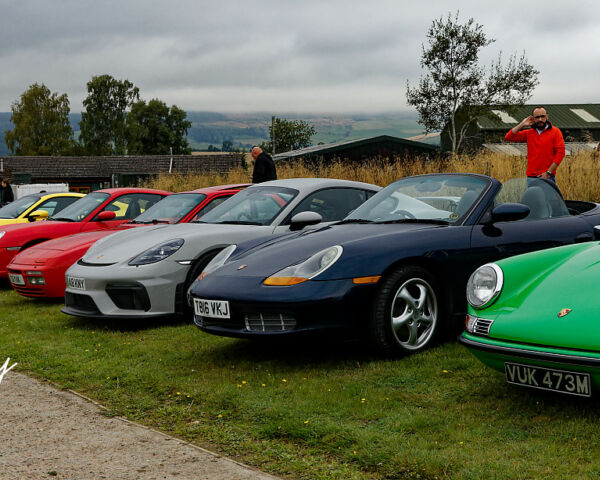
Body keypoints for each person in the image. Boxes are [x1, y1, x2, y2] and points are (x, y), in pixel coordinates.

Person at [505, 106, 565, 183]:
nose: (540, 119)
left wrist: (548, 172)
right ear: (533, 118)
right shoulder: (529, 133)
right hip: (531, 177)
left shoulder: (555, 132)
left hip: (547, 177)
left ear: (547, 117)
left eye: (542, 116)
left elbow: (560, 153)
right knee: (532, 195)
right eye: (537, 117)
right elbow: (509, 137)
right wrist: (522, 124)